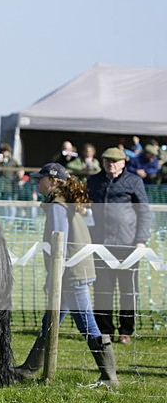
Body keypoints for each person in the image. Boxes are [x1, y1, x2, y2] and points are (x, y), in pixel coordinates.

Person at [14, 163, 119, 388]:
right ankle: (29, 370)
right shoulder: (65, 202)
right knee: (49, 322)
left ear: (52, 181)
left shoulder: (58, 206)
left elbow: (59, 245)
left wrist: (53, 279)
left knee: (87, 324)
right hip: (73, 271)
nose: (37, 182)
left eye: (40, 178)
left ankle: (109, 377)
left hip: (71, 274)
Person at [87, 147, 153, 345]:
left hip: (128, 246)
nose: (111, 165)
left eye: (115, 161)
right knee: (102, 290)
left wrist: (140, 240)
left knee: (128, 291)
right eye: (107, 161)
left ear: (123, 162)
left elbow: (144, 212)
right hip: (101, 246)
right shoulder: (94, 182)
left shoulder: (134, 182)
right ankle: (105, 330)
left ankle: (126, 331)